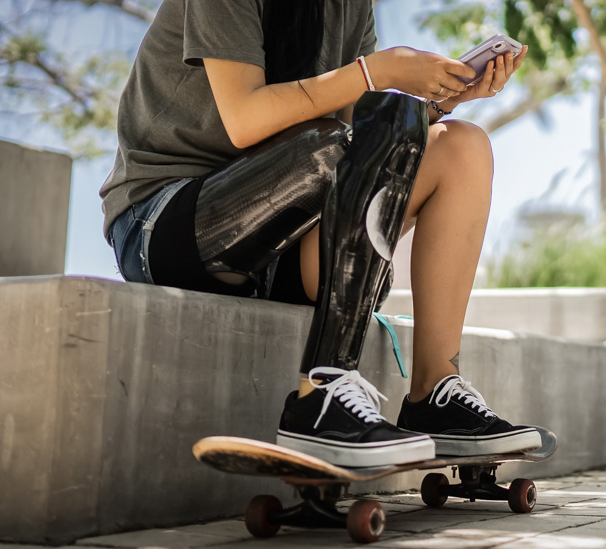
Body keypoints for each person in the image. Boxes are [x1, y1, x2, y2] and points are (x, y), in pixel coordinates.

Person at [100, 0, 543, 467]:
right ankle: (320, 395)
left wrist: (439, 103)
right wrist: (376, 71)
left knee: (461, 146)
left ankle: (433, 394)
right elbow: (245, 119)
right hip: (167, 222)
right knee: (329, 145)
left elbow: (359, 122)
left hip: (284, 230)